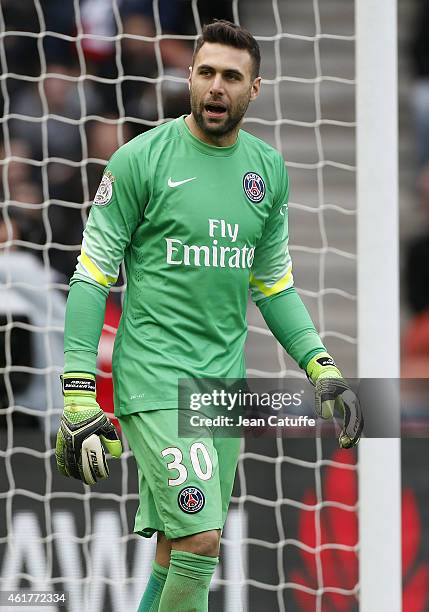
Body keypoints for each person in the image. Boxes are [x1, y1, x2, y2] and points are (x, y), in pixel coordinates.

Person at [55, 20, 363, 612]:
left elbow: (274, 288)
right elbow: (92, 275)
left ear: (255, 89)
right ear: (189, 77)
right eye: (205, 73)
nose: (216, 87)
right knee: (201, 538)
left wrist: (320, 366)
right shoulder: (138, 161)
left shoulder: (267, 172)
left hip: (221, 388)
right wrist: (77, 390)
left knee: (179, 552)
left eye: (230, 77)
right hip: (153, 377)